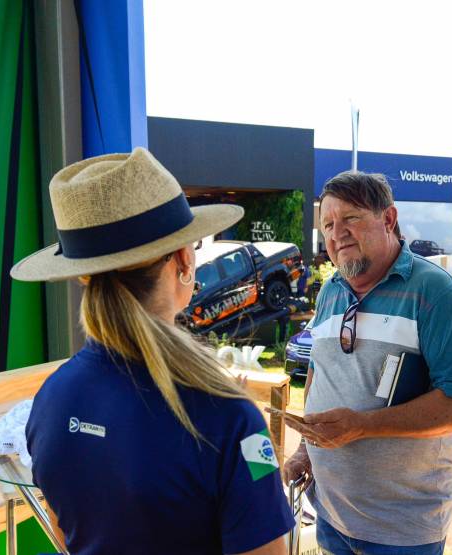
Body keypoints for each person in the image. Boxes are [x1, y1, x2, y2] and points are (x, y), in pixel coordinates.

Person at [16, 148, 293, 554]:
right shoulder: (227, 415)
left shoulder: (53, 397)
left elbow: (66, 532)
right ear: (182, 260)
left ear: (84, 277)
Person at [282, 171, 452, 554]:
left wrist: (362, 426)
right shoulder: (330, 291)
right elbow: (320, 373)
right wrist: (304, 450)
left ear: (389, 220)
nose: (336, 233)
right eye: (327, 224)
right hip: (330, 514)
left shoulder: (437, 293)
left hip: (401, 532)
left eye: (351, 219)